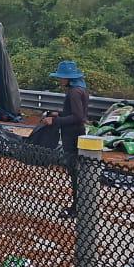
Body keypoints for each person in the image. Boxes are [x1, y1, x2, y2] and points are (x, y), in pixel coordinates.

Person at [42, 61, 90, 217]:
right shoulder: (80, 89)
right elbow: (75, 114)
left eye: (62, 77)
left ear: (69, 78)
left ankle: (77, 208)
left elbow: (78, 117)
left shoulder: (74, 92)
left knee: (74, 172)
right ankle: (80, 205)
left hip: (73, 135)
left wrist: (54, 121)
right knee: (76, 172)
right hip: (76, 133)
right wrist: (59, 114)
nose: (60, 80)